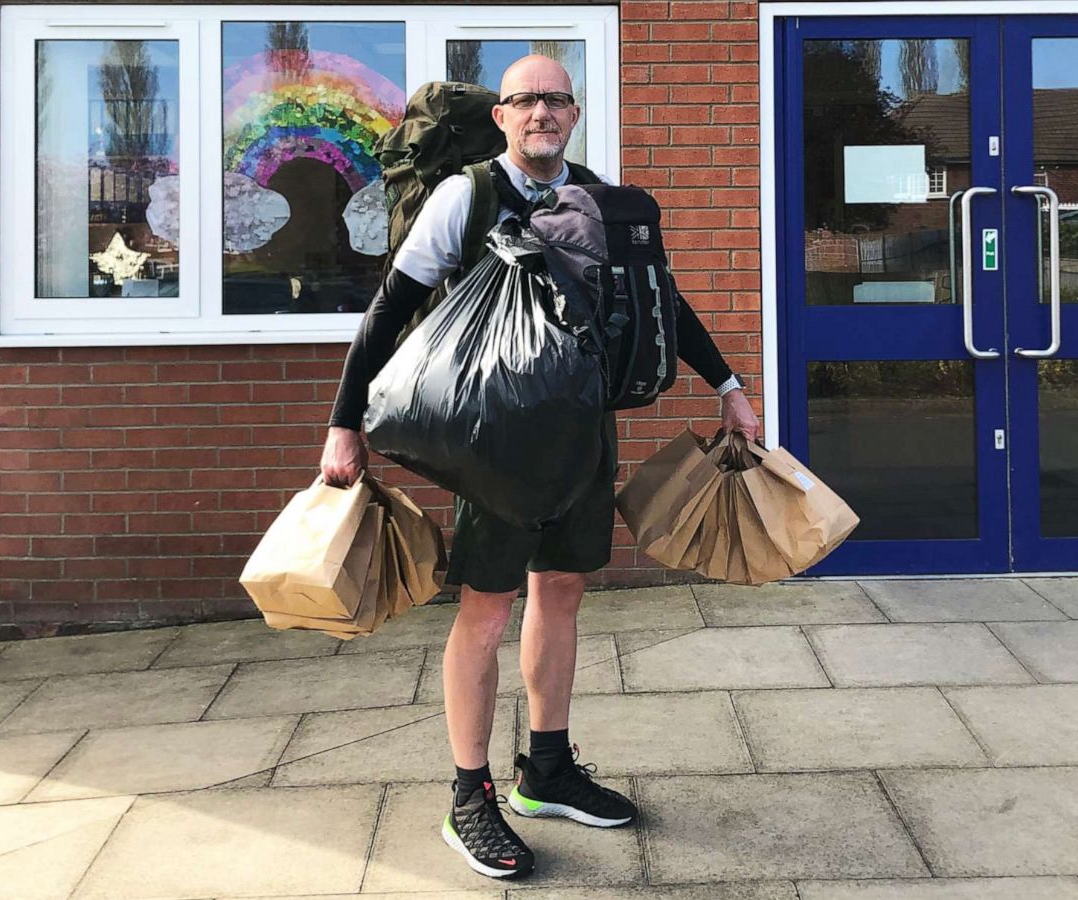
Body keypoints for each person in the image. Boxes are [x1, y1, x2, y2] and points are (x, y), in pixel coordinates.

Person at [321, 55, 759, 880]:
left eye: (555, 99)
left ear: (575, 111)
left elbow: (663, 299)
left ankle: (546, 771)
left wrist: (729, 386)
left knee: (561, 590)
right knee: (485, 612)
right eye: (525, 99)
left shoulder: (597, 197)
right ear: (502, 116)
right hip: (496, 443)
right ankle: (468, 796)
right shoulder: (468, 196)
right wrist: (344, 425)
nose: (541, 112)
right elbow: (391, 307)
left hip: (582, 436)